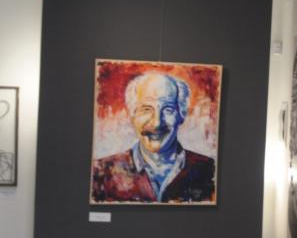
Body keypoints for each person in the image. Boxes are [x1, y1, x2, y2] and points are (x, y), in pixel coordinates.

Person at [91, 72, 216, 203]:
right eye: (146, 109)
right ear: (132, 115)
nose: (157, 123)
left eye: (168, 109)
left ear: (181, 115)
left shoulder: (210, 171)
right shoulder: (101, 173)